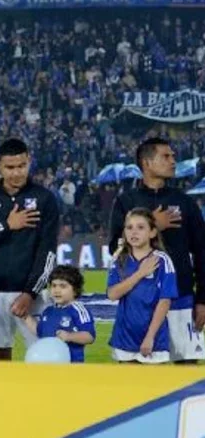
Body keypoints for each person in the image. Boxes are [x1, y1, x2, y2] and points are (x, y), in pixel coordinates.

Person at [106, 138, 205, 364]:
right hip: (138, 302)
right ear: (147, 163)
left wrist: (203, 299)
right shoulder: (126, 201)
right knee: (136, 372)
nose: (173, 161)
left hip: (181, 298)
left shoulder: (185, 202)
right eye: (166, 156)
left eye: (172, 156)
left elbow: (202, 252)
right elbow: (115, 249)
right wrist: (153, 226)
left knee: (186, 373)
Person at [0, 139, 60, 361]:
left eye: (21, 166)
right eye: (10, 167)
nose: (16, 173)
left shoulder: (45, 200)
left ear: (29, 162)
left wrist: (30, 293)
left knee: (44, 358)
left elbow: (48, 253)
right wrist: (7, 226)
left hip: (30, 294)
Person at [107, 208, 176, 364]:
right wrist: (140, 273)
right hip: (124, 339)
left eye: (140, 227)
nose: (134, 232)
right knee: (126, 388)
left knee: (154, 387)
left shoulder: (162, 260)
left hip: (154, 340)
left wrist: (150, 337)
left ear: (152, 232)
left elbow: (165, 301)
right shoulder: (119, 259)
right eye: (129, 227)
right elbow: (112, 294)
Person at [20, 265, 95, 363]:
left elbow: (89, 337)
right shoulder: (48, 311)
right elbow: (40, 331)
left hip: (72, 368)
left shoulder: (78, 310)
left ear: (75, 290)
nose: (57, 290)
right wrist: (25, 316)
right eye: (54, 285)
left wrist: (69, 336)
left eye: (63, 286)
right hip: (48, 366)